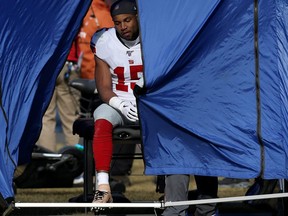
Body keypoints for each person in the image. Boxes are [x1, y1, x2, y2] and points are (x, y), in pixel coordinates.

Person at [89, 0, 142, 207]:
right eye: (117, 22)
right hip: (117, 100)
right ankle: (103, 187)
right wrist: (119, 104)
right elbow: (103, 88)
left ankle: (165, 186)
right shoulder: (104, 40)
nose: (123, 27)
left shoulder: (152, 36)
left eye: (127, 20)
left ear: (137, 18)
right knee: (101, 118)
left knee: (162, 123)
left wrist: (145, 101)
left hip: (147, 101)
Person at [38, 38, 81, 152]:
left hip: (43, 63)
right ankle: (76, 161)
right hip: (67, 63)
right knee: (71, 118)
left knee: (45, 117)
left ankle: (46, 161)